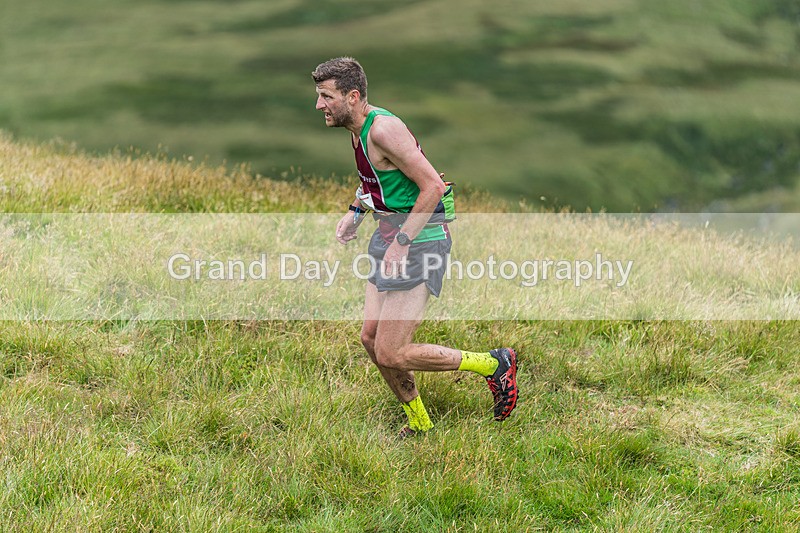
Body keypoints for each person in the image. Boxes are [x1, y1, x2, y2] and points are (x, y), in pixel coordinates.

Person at [312, 57, 518, 438]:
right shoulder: (357, 129)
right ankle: (420, 423)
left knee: (391, 351)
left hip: (419, 241)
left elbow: (433, 187)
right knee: (371, 339)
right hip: (390, 235)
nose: (319, 105)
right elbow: (379, 182)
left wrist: (402, 243)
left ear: (353, 96)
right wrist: (355, 212)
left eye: (326, 96)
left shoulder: (384, 130)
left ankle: (493, 364)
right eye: (319, 96)